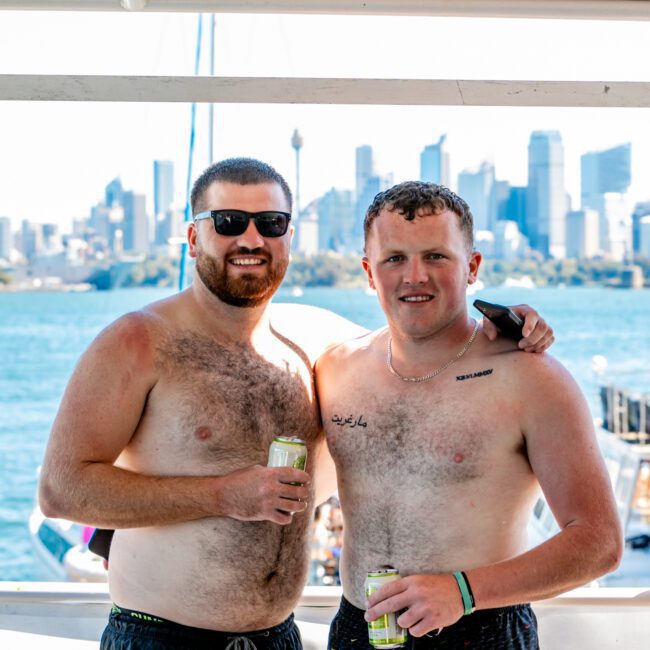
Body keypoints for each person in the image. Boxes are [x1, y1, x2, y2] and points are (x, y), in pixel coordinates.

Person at [38, 159, 554, 650]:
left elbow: (420, 343)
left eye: (271, 222)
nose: (250, 238)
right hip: (162, 635)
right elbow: (62, 491)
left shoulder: (314, 338)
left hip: (279, 636)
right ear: (194, 239)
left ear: (288, 237)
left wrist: (506, 327)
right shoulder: (139, 341)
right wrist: (222, 495)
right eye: (228, 221)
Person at [315, 181, 623, 649]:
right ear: (368, 271)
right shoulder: (336, 368)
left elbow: (599, 542)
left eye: (436, 256)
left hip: (480, 629)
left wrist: (463, 591)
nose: (414, 275)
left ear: (472, 266)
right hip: (358, 629)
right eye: (394, 258)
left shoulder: (529, 377)